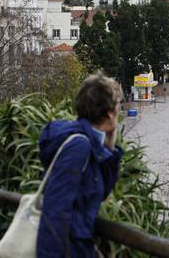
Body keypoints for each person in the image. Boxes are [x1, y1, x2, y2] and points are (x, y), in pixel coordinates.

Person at [37, 73, 124, 258]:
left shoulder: (93, 143)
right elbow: (55, 210)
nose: (120, 111)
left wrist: (110, 144)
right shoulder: (79, 146)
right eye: (119, 105)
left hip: (78, 246)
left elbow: (102, 192)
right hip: (69, 249)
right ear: (110, 112)